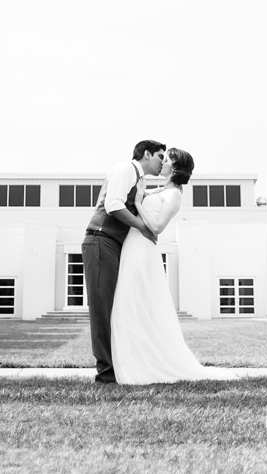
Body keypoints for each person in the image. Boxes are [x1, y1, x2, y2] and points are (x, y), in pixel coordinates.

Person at [111, 147, 239, 384]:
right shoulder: (161, 189)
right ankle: (133, 360)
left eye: (166, 159)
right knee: (130, 304)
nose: (162, 163)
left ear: (175, 167)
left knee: (137, 303)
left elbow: (158, 227)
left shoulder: (175, 195)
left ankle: (143, 366)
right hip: (132, 246)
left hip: (142, 249)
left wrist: (139, 204)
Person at [83, 139, 165, 384]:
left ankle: (117, 367)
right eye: (160, 156)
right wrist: (143, 228)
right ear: (147, 154)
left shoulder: (141, 181)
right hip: (100, 240)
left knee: (117, 308)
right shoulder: (124, 169)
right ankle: (106, 374)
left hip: (114, 245)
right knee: (102, 310)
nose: (163, 162)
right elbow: (113, 205)